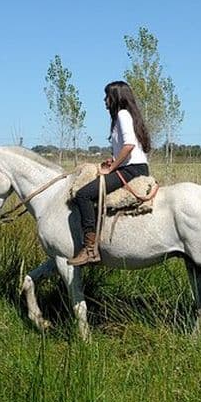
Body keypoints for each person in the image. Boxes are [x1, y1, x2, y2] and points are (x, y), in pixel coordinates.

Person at [67, 80, 151, 266]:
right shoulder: (128, 115)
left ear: (116, 97)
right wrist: (113, 160)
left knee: (83, 195)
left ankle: (89, 249)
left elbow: (129, 146)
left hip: (131, 170)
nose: (105, 100)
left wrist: (112, 168)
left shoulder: (122, 114)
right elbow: (130, 147)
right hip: (134, 166)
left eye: (107, 96)